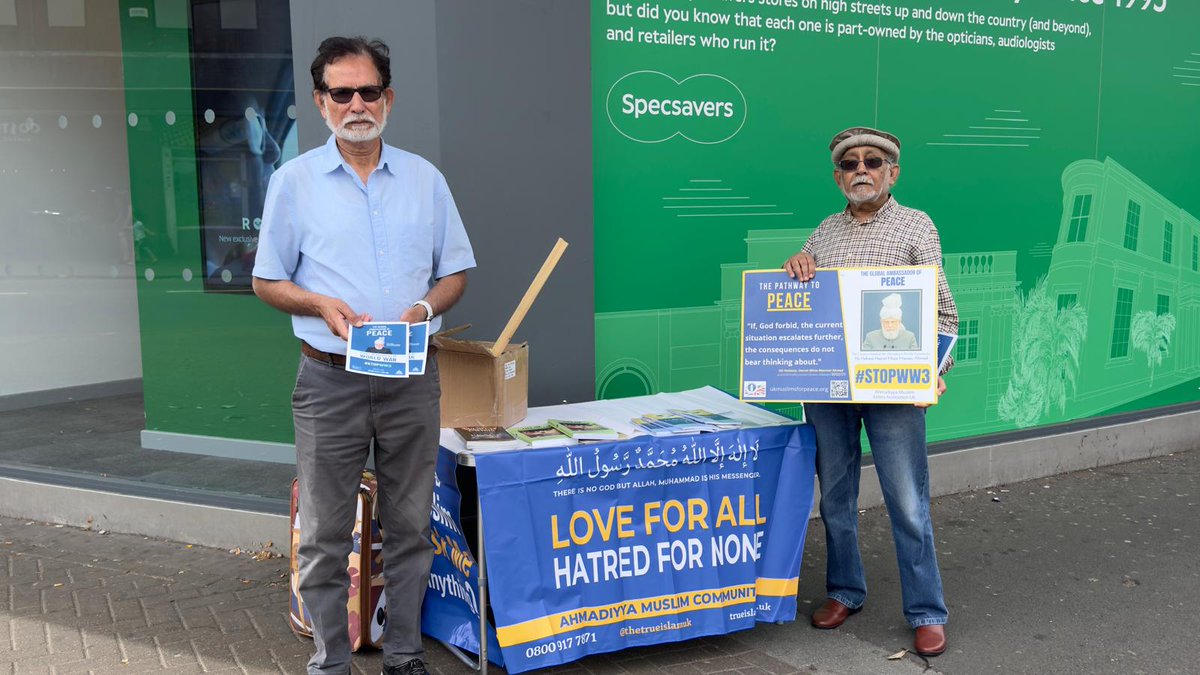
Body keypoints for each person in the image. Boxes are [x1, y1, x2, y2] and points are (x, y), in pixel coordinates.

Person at [252, 36, 475, 675]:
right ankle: (330, 661)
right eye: (341, 93)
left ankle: (405, 654)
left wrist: (425, 310)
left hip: (410, 376)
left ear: (389, 97)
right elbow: (267, 281)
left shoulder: (425, 180)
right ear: (320, 103)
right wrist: (318, 303)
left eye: (368, 91)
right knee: (323, 536)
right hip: (330, 381)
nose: (357, 104)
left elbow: (456, 272)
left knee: (410, 527)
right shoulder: (292, 183)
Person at [783, 126, 958, 657]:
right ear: (839, 177)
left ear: (892, 172)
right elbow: (804, 291)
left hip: (893, 388)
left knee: (907, 501)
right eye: (851, 163)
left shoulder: (915, 227)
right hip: (830, 389)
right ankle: (845, 590)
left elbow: (942, 311)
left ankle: (927, 610)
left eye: (874, 162)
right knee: (835, 496)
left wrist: (931, 368)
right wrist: (797, 267)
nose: (862, 169)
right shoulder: (824, 231)